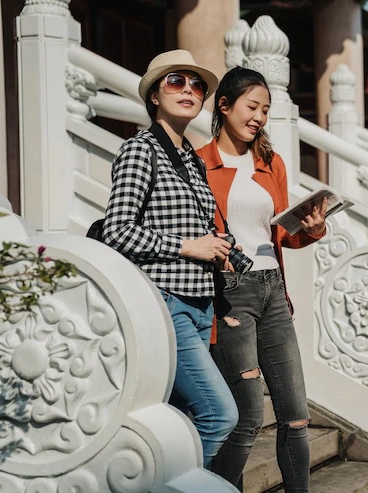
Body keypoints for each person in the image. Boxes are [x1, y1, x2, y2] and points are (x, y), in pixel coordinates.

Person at [102, 50, 238, 467]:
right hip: (166, 303)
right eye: (176, 82)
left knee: (180, 415)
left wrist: (223, 249)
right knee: (220, 414)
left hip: (200, 306)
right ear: (155, 97)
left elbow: (197, 228)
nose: (189, 91)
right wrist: (185, 246)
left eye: (196, 85)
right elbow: (116, 230)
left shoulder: (192, 161)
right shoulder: (140, 151)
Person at [197, 67, 326, 492]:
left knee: (296, 414)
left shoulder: (272, 164)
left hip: (274, 291)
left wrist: (313, 226)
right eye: (252, 107)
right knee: (247, 418)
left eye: (265, 110)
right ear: (224, 106)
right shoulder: (199, 163)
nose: (259, 117)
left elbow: (282, 234)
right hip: (232, 296)